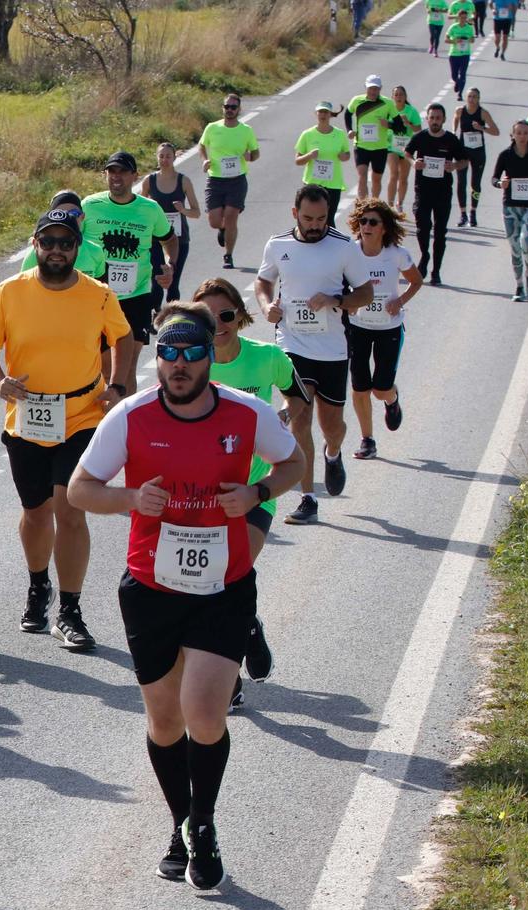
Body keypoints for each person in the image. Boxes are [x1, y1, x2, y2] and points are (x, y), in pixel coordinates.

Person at [68, 304, 304, 891]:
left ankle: (203, 824)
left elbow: (294, 460)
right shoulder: (131, 416)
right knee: (165, 720)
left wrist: (258, 492)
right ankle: (180, 822)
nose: (178, 364)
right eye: (168, 354)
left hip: (223, 587)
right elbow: (79, 489)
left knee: (204, 713)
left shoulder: (246, 413)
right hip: (151, 587)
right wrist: (128, 501)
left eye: (190, 353)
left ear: (210, 355)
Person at [0, 208, 130, 652]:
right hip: (27, 418)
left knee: (70, 506)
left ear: (78, 247)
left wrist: (117, 385)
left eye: (66, 242)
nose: (57, 250)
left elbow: (123, 338)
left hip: (82, 414)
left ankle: (70, 609)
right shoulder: (9, 292)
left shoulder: (97, 294)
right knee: (37, 511)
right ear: (35, 244)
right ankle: (38, 586)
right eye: (49, 242)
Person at [255, 184, 379, 524]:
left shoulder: (343, 248)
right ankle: (308, 497)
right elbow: (263, 282)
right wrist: (267, 306)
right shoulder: (278, 244)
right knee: (301, 416)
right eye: (308, 218)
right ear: (295, 213)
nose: (315, 225)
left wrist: (335, 300)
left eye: (321, 218)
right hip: (292, 343)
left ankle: (333, 452)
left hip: (333, 347)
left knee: (332, 425)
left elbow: (366, 293)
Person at [195, 277, 292, 705]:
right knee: (209, 584)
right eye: (209, 317)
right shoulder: (189, 365)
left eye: (227, 315)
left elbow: (298, 397)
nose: (219, 324)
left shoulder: (267, 357)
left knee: (227, 577)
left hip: (254, 491)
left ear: (241, 315)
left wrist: (287, 425)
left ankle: (227, 679)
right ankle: (248, 625)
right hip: (200, 495)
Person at [83, 151, 176, 395]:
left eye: (123, 171)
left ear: (134, 176)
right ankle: (109, 417)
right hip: (97, 297)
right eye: (111, 171)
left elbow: (169, 238)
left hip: (136, 296)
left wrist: (169, 264)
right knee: (106, 367)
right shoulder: (90, 206)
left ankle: (126, 425)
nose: (117, 177)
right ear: (105, 175)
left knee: (126, 369)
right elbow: (73, 244)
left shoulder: (150, 209)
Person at [343, 200, 423, 461]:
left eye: (373, 222)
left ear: (384, 228)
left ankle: (392, 399)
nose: (366, 226)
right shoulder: (350, 252)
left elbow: (416, 281)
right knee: (359, 387)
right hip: (358, 328)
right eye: (363, 221)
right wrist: (349, 303)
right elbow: (338, 283)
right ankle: (368, 440)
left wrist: (399, 301)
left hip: (389, 327)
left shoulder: (396, 255)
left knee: (380, 388)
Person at [405, 102, 472, 284]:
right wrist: (414, 163)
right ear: (427, 119)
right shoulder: (420, 137)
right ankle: (425, 255)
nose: (434, 121)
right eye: (432, 118)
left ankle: (436, 271)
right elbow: (407, 153)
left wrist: (454, 166)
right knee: (422, 227)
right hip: (422, 190)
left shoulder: (450, 139)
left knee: (440, 232)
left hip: (442, 192)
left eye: (438, 118)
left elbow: (465, 160)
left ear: (443, 120)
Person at [200, 95, 261, 269]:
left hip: (237, 179)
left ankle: (228, 255)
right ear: (223, 108)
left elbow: (256, 153)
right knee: (214, 221)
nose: (230, 110)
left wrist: (250, 156)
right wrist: (205, 160)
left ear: (239, 110)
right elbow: (202, 145)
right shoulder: (212, 128)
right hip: (216, 179)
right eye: (227, 106)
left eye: (233, 107)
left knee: (232, 217)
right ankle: (222, 229)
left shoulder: (246, 130)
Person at [493, 120, 528, 297]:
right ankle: (518, 284)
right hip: (510, 206)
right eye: (519, 133)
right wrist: (500, 183)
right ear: (513, 135)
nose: (522, 136)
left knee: (526, 241)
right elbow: (494, 178)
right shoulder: (505, 155)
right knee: (515, 247)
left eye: (525, 133)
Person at [143, 142, 201, 300]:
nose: (164, 159)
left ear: (175, 157)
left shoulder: (184, 181)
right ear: (156, 158)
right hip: (155, 238)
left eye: (168, 156)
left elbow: (197, 212)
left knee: (173, 282)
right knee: (157, 279)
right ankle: (154, 317)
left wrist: (183, 210)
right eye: (161, 156)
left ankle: (173, 317)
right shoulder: (149, 181)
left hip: (179, 237)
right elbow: (139, 208)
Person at [19, 190, 111, 279]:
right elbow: (24, 286)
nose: (68, 219)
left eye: (74, 213)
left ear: (82, 217)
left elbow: (101, 288)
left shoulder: (95, 251)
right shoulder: (36, 253)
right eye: (62, 213)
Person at [297, 102, 354, 219]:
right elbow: (298, 160)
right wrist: (309, 156)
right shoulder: (307, 134)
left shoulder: (339, 134)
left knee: (329, 218)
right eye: (320, 112)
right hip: (312, 183)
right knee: (310, 218)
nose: (323, 115)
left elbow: (347, 154)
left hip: (333, 184)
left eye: (326, 112)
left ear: (330, 114)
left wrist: (344, 156)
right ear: (316, 114)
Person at [346, 75, 398, 200]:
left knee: (376, 178)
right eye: (370, 88)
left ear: (380, 88)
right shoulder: (357, 100)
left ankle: (374, 202)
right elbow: (347, 114)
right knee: (362, 176)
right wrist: (350, 130)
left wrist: (389, 124)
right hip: (361, 146)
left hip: (380, 147)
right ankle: (362, 205)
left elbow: (399, 125)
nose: (373, 92)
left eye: (375, 89)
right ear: (366, 88)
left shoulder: (388, 103)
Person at [456, 90, 501, 226]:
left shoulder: (483, 113)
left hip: (478, 152)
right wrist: (454, 130)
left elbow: (496, 131)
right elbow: (455, 120)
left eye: (474, 97)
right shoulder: (460, 110)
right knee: (461, 182)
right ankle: (463, 214)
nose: (471, 99)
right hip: (462, 151)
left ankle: (473, 212)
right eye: (469, 96)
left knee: (475, 183)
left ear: (479, 99)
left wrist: (482, 128)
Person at [385, 86, 421, 212]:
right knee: (394, 174)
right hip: (391, 146)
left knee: (403, 178)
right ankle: (389, 205)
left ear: (405, 97)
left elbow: (418, 129)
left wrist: (408, 124)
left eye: (401, 95)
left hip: (406, 146)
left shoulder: (411, 111)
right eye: (396, 95)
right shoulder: (389, 110)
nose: (399, 97)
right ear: (392, 97)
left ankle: (399, 204)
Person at [444, 10, 479, 96]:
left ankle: (460, 93)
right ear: (458, 18)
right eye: (462, 18)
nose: (463, 19)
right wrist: (455, 41)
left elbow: (472, 40)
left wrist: (469, 39)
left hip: (465, 54)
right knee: (454, 75)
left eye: (465, 18)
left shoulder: (469, 28)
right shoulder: (453, 27)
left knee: (463, 74)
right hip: (454, 54)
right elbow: (446, 40)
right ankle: (457, 82)